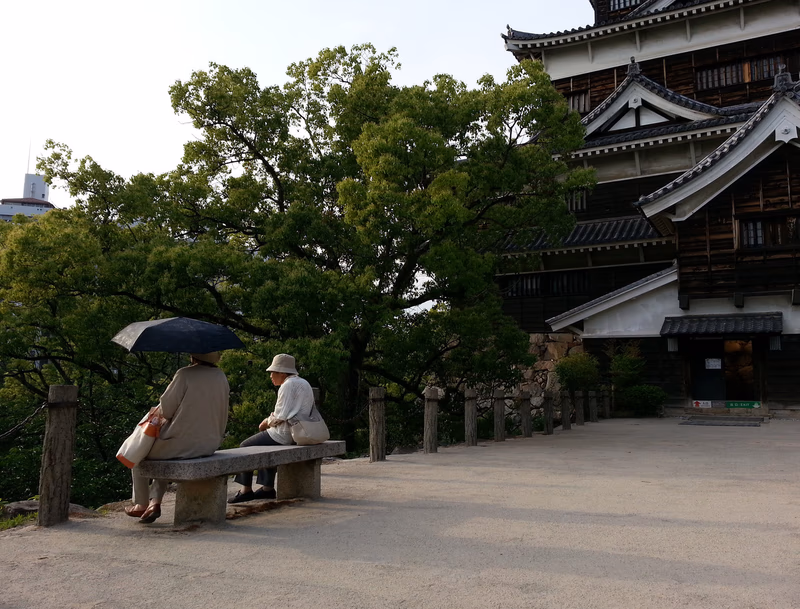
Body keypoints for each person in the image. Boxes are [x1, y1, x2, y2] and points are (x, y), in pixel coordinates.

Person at [126, 352, 229, 523]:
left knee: (138, 453)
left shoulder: (185, 374)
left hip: (181, 444)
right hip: (209, 444)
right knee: (164, 452)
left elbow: (166, 410)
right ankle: (155, 502)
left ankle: (141, 504)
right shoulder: (221, 376)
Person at [228, 353, 314, 503]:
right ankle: (267, 488)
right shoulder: (304, 383)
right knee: (265, 445)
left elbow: (281, 415)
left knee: (244, 446)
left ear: (282, 372)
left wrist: (266, 422)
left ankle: (245, 490)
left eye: (273, 372)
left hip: (285, 434)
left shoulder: (287, 385)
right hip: (301, 433)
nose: (270, 376)